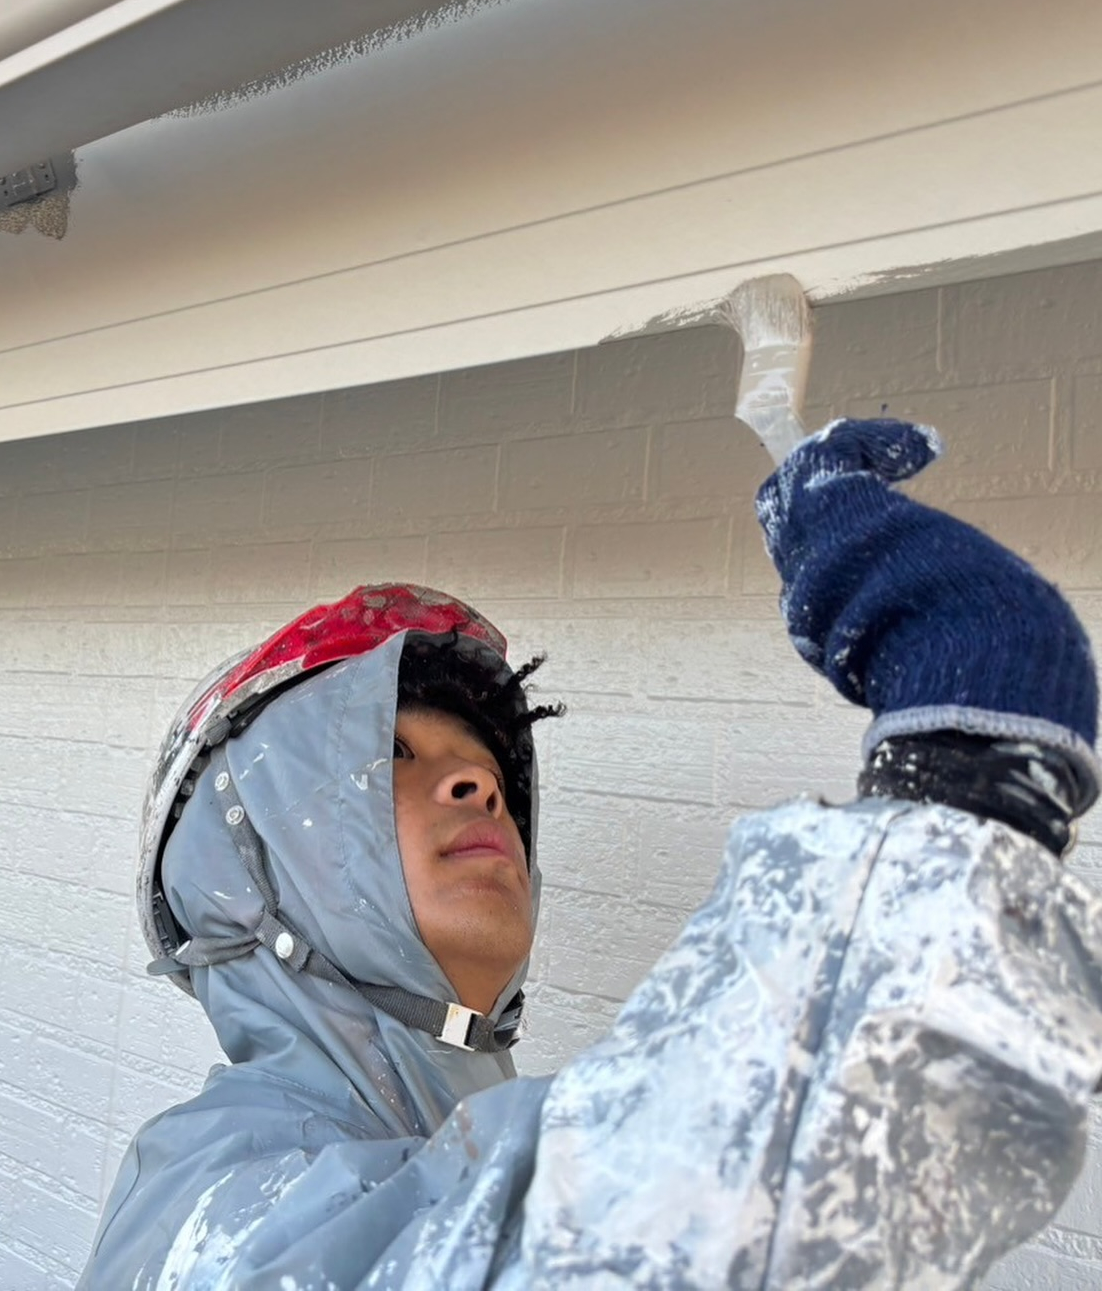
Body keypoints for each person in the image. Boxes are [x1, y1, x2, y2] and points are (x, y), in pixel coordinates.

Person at [77, 420, 1102, 1289]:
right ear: (241, 869)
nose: (479, 785)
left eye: (484, 762)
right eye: (389, 753)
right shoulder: (211, 1202)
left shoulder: (443, 1152)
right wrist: (968, 783)